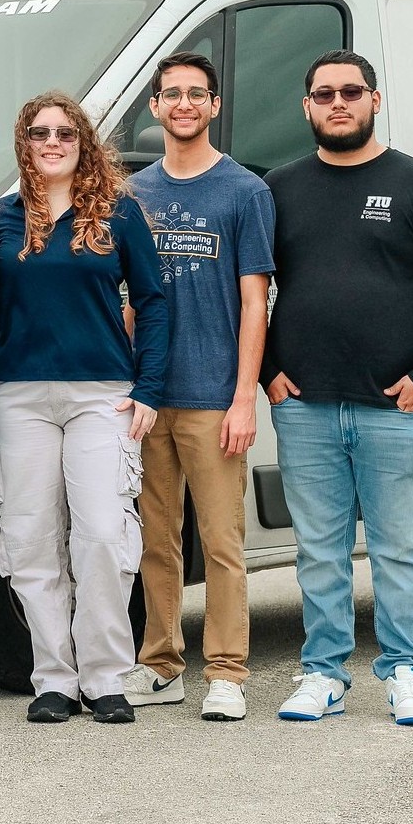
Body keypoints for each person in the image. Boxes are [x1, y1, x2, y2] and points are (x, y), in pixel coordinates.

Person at [262, 50, 413, 726]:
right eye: (322, 92)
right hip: (304, 408)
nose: (337, 102)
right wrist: (268, 368)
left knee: (396, 548)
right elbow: (250, 288)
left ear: (373, 100)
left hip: (394, 408)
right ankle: (323, 673)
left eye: (350, 91)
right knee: (319, 551)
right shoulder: (279, 187)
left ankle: (406, 669)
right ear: (305, 107)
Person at [0, 90, 167, 726]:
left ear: (83, 142)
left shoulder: (119, 215)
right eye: (40, 133)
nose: (52, 142)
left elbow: (155, 300)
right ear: (24, 144)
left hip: (102, 395)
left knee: (104, 536)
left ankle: (106, 677)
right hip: (19, 395)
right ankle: (54, 679)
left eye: (65, 132)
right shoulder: (0, 221)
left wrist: (148, 389)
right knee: (30, 541)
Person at [123, 53, 275, 722]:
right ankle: (160, 663)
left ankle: (226, 672)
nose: (183, 103)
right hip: (149, 396)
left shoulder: (244, 192)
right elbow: (128, 298)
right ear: (154, 107)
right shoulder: (136, 193)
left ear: (213, 105)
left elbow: (254, 301)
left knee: (220, 541)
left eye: (196, 93)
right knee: (155, 539)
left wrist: (245, 395)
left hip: (215, 397)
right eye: (171, 94)